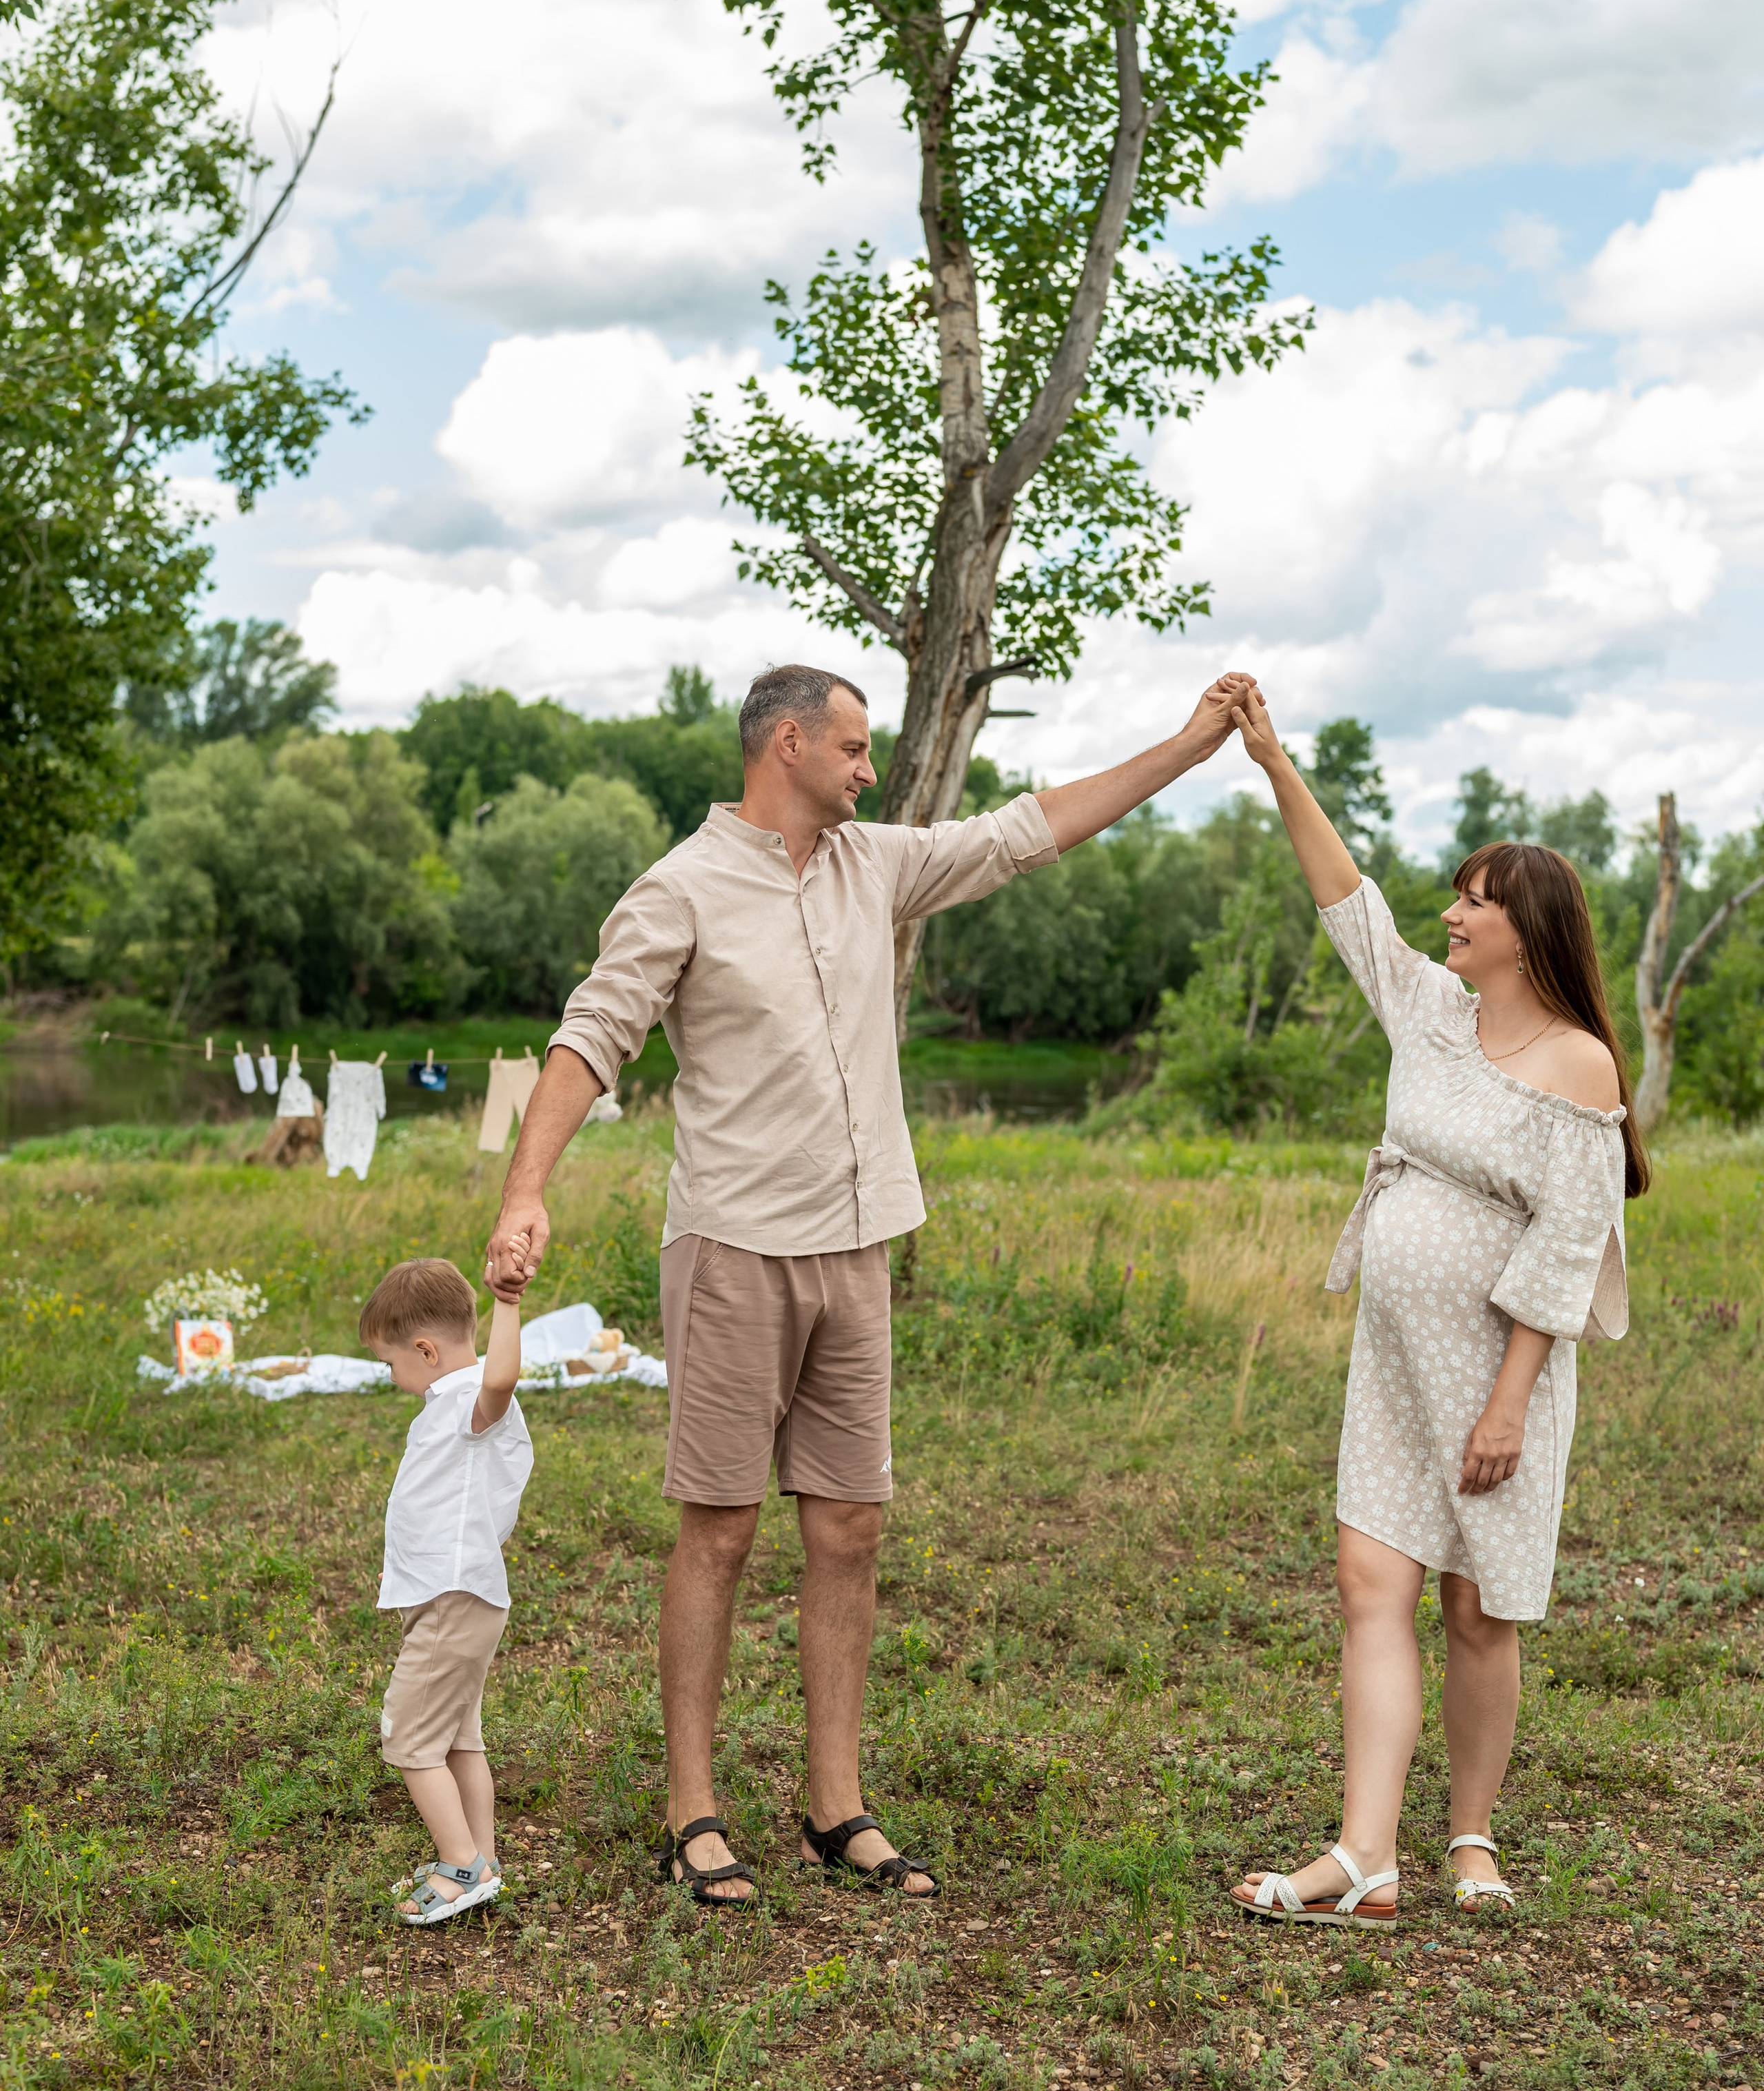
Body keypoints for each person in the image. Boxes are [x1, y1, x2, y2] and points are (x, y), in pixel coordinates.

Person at [484, 660, 1254, 1905]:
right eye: (850, 748)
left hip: (859, 1247)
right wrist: (528, 1190)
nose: (867, 769)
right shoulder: (679, 888)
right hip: (734, 1247)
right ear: (784, 744)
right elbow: (591, 1038)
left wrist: (1185, 748)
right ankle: (693, 1808)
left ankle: (834, 1805)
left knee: (848, 1524)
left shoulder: (875, 866)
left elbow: (1025, 832)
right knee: (720, 1528)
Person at [1224, 682, 1645, 1928]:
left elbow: (1570, 1244)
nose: (1451, 914)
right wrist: (1273, 762)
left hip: (1495, 1373)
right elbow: (1342, 899)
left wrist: (1510, 1403)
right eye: (1458, 897)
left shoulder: (1579, 1065)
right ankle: (1366, 1855)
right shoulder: (1431, 1016)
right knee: (1370, 1581)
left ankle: (1468, 1836)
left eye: (1475, 900)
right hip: (1395, 1359)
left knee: (1475, 1604)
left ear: (1528, 928)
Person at [361, 1252, 533, 1925]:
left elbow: (502, 1377)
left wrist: (509, 1304)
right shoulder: (446, 1406)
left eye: (390, 1361)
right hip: (450, 1596)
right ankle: (481, 1861)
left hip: (455, 1603)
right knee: (459, 1739)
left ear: (425, 1349)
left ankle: (458, 1865)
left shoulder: (470, 1401)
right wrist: (401, 1567)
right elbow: (437, 1505)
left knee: (408, 1739)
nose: (390, 1375)